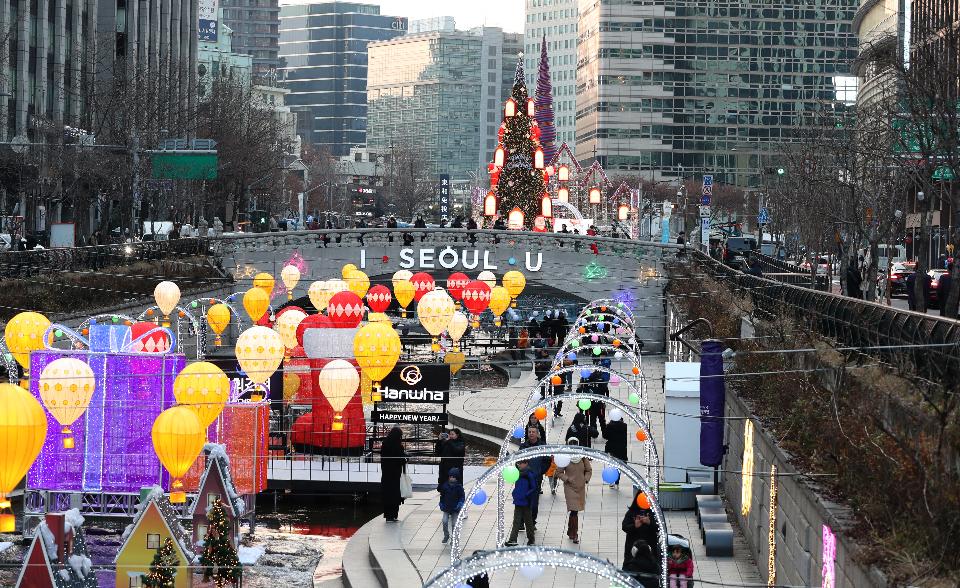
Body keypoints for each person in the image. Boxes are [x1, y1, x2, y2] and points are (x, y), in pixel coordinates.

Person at [557, 437, 592, 544]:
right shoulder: (564, 457)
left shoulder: (582, 457)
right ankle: (575, 534)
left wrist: (585, 479)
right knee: (574, 510)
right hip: (570, 488)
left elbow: (588, 470)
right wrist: (567, 479)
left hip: (580, 487)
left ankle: (570, 531)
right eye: (571, 444)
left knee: (574, 511)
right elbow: (558, 472)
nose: (573, 446)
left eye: (575, 443)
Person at [622, 489, 662, 564]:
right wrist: (635, 526)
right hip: (633, 547)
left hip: (650, 547)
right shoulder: (631, 512)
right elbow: (624, 527)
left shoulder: (653, 513)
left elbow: (659, 528)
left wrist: (649, 522)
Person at [519, 426, 549, 523]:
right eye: (529, 432)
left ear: (537, 434)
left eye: (533, 432)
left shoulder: (542, 446)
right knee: (523, 500)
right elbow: (517, 461)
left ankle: (532, 521)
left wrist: (541, 471)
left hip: (536, 478)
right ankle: (522, 521)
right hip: (524, 478)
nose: (531, 433)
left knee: (534, 501)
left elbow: (547, 460)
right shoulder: (523, 446)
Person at [505, 460, 538, 546]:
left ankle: (531, 540)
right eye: (519, 463)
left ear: (526, 463)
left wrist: (526, 495)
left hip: (526, 501)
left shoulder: (529, 474)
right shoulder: (519, 474)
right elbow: (517, 486)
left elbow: (534, 487)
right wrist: (515, 493)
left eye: (521, 463)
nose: (519, 465)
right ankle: (513, 540)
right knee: (517, 521)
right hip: (518, 500)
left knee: (528, 522)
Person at [380, 427, 408, 522]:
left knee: (387, 494)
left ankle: (388, 516)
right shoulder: (398, 446)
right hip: (395, 475)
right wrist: (405, 459)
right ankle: (393, 515)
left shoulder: (385, 444)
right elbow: (400, 460)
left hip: (386, 474)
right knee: (395, 494)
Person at [438, 467, 465, 544]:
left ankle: (454, 538)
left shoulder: (459, 487)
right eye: (450, 476)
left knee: (454, 524)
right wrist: (441, 503)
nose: (451, 478)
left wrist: (460, 504)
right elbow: (442, 496)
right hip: (446, 508)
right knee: (444, 521)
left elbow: (462, 497)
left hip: (455, 508)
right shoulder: (445, 486)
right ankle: (446, 535)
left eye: (453, 477)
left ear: (456, 478)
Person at [603, 411, 628, 488]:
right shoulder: (624, 426)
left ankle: (611, 481)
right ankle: (617, 481)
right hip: (621, 449)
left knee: (612, 465)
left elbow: (605, 436)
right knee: (619, 465)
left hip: (611, 448)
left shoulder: (609, 426)